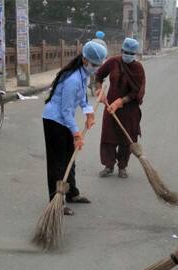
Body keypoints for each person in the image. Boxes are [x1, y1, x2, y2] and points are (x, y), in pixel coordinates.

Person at [41, 41, 107, 216]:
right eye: (94, 64)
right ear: (85, 59)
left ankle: (72, 193)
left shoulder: (82, 73)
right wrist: (76, 133)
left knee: (71, 156)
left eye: (98, 65)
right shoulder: (73, 79)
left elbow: (83, 98)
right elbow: (65, 111)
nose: (96, 68)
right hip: (54, 121)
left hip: (63, 119)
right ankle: (55, 201)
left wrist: (88, 113)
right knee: (58, 163)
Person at [95, 38, 145, 179]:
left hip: (129, 110)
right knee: (108, 137)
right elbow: (98, 75)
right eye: (126, 52)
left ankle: (122, 167)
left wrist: (120, 102)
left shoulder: (138, 68)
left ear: (135, 54)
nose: (128, 55)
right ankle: (108, 165)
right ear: (122, 50)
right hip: (110, 107)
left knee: (126, 139)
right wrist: (99, 89)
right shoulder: (113, 62)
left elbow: (136, 92)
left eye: (131, 53)